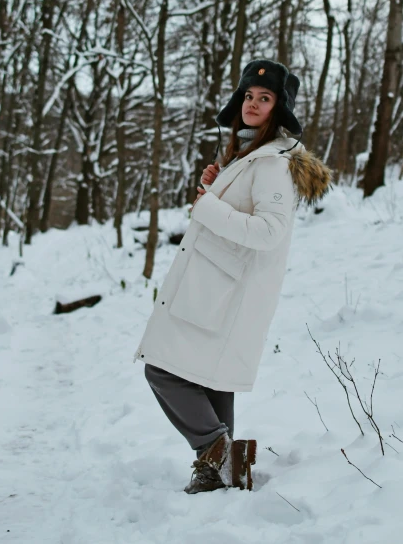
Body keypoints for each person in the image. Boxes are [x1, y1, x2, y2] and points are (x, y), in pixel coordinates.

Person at [133, 59, 331, 494]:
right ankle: (217, 472)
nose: (253, 104)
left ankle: (218, 453)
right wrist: (219, 183)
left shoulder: (273, 163)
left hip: (225, 292)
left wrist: (208, 203)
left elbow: (269, 231)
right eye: (248, 96)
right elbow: (244, 210)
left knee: (162, 371)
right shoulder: (252, 155)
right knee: (211, 380)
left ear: (278, 110)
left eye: (265, 98)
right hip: (218, 289)